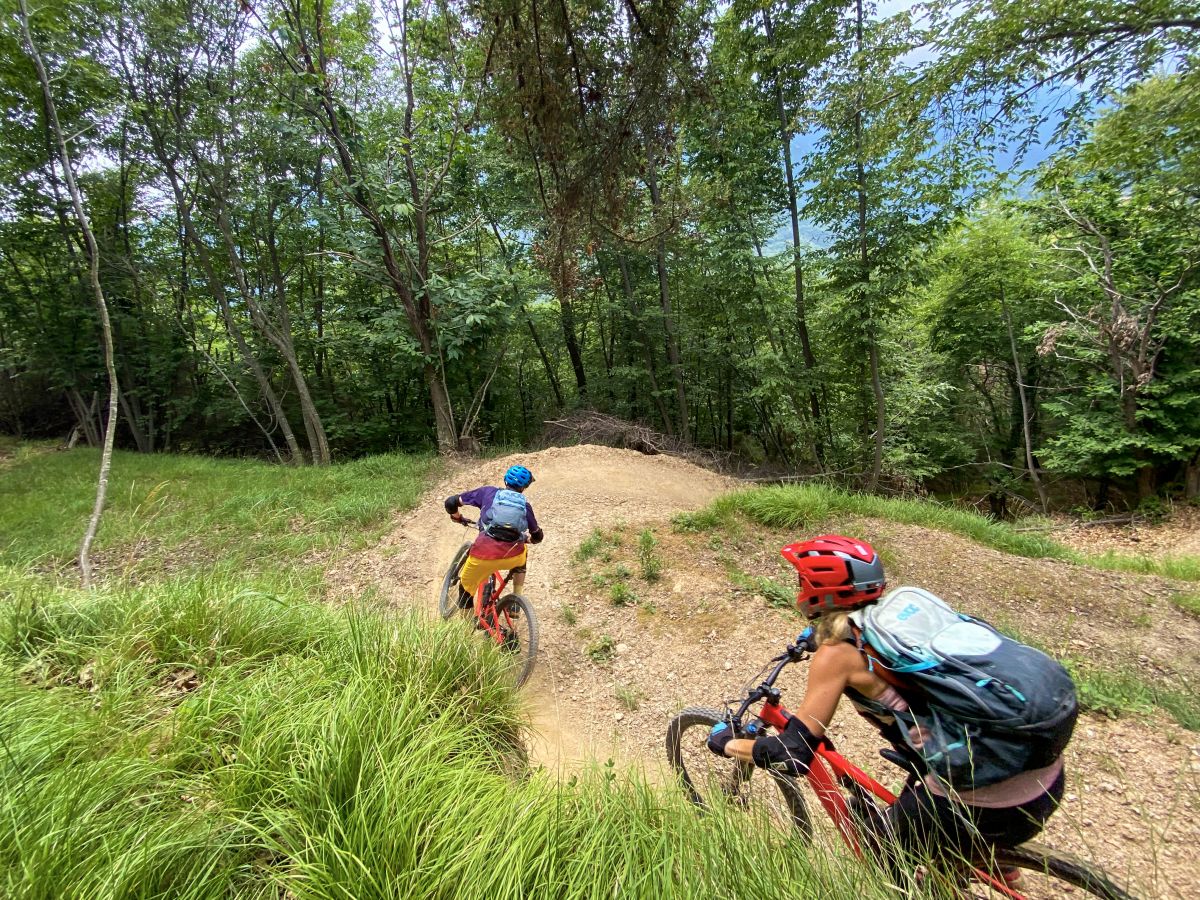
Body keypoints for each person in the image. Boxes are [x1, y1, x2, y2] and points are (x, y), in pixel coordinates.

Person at [707, 535, 1066, 876]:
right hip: (1041, 771)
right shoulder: (905, 612)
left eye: (803, 582)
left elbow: (793, 753)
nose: (799, 589)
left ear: (818, 591)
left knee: (884, 855)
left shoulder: (837, 657)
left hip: (986, 805)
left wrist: (727, 744)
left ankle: (940, 873)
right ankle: (989, 862)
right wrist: (822, 635)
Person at [444, 465, 544, 607]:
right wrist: (528, 539)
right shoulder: (524, 506)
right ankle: (516, 600)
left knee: (465, 590)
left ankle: (466, 627)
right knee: (523, 552)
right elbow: (537, 536)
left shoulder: (487, 492)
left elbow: (450, 502)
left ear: (505, 481)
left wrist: (457, 517)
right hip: (512, 557)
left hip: (482, 556)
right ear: (524, 488)